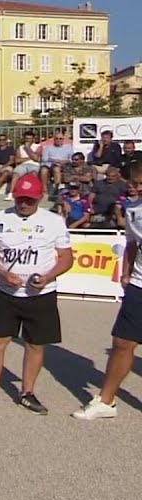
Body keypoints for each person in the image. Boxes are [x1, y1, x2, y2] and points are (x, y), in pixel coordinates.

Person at [0, 174, 73, 414]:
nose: (24, 204)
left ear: (40, 198)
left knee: (35, 344)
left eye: (29, 200)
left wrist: (48, 277)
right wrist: (3, 273)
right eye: (20, 199)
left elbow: (67, 258)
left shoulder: (54, 221)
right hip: (5, 292)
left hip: (41, 294)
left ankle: (27, 393)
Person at [75, 165, 142, 420]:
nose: (136, 188)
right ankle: (106, 401)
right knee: (122, 342)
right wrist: (126, 272)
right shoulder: (133, 210)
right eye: (135, 183)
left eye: (140, 184)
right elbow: (132, 244)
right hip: (139, 284)